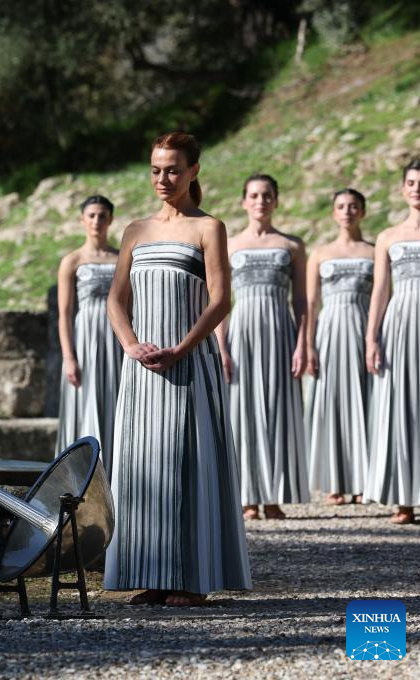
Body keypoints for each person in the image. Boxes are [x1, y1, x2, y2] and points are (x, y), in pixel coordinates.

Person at [104, 132, 251, 607]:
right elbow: (115, 299)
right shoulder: (135, 230)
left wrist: (182, 348)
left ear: (193, 172)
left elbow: (221, 301)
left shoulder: (209, 228)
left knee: (188, 464)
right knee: (144, 466)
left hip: (189, 364)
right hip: (142, 369)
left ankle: (192, 578)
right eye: (156, 170)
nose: (163, 178)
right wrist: (130, 345)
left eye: (172, 169)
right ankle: (152, 573)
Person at [216, 174, 309, 520]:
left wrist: (302, 343)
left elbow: (301, 300)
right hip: (242, 333)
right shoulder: (230, 244)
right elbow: (220, 301)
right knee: (243, 410)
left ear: (276, 201)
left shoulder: (292, 246)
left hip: (281, 332)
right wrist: (221, 346)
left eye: (267, 195)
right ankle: (247, 496)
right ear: (244, 202)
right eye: (254, 195)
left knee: (278, 408)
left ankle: (273, 496)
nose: (261, 201)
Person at [364, 158, 420, 525]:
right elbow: (380, 290)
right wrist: (371, 338)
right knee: (402, 405)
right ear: (403, 189)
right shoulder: (388, 236)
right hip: (400, 325)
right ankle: (404, 498)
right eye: (412, 183)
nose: (419, 189)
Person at [304, 189, 374, 506]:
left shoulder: (374, 251)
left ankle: (363, 481)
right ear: (333, 213)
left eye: (354, 206)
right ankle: (334, 481)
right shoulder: (320, 253)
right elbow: (310, 303)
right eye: (341, 206)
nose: (347, 211)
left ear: (363, 211)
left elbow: (383, 296)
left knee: (365, 400)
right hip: (330, 332)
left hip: (363, 328)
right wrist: (308, 345)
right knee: (331, 402)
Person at [54, 196, 123, 473]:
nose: (97, 221)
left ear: (111, 220)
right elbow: (64, 314)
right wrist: (69, 357)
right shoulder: (72, 261)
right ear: (82, 219)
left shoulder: (122, 258)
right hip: (85, 341)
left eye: (102, 215)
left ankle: (116, 473)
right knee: (84, 405)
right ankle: (81, 477)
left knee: (116, 403)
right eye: (91, 215)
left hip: (118, 340)